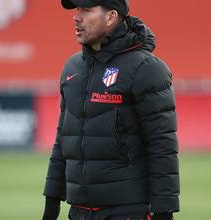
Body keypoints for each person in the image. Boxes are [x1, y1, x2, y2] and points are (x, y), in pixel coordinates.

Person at [42, 0, 180, 219]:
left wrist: (164, 211)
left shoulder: (146, 68)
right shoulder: (72, 67)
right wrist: (51, 202)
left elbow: (162, 145)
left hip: (126, 210)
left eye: (86, 10)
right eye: (77, 10)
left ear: (110, 17)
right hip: (78, 211)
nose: (76, 17)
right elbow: (63, 139)